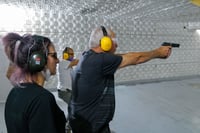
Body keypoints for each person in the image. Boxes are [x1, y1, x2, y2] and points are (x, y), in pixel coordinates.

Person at [68, 26, 172, 133]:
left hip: (83, 120)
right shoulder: (99, 61)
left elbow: (123, 56)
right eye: (114, 40)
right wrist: (158, 52)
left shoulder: (88, 56)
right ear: (105, 42)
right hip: (90, 126)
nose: (116, 44)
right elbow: (137, 58)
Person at [2, 33, 67, 133]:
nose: (57, 60)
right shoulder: (42, 99)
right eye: (54, 55)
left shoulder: (14, 92)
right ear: (39, 59)